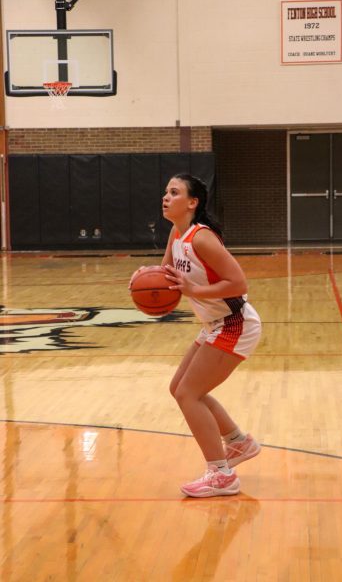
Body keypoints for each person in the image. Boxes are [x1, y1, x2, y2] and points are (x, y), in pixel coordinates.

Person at [132, 173, 262, 498]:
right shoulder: (176, 235)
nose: (166, 196)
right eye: (165, 191)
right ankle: (238, 442)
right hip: (214, 324)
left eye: (174, 192)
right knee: (179, 388)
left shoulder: (202, 238)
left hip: (235, 322)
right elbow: (164, 277)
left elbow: (239, 283)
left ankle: (221, 474)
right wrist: (143, 277)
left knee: (189, 393)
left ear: (193, 202)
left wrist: (195, 290)